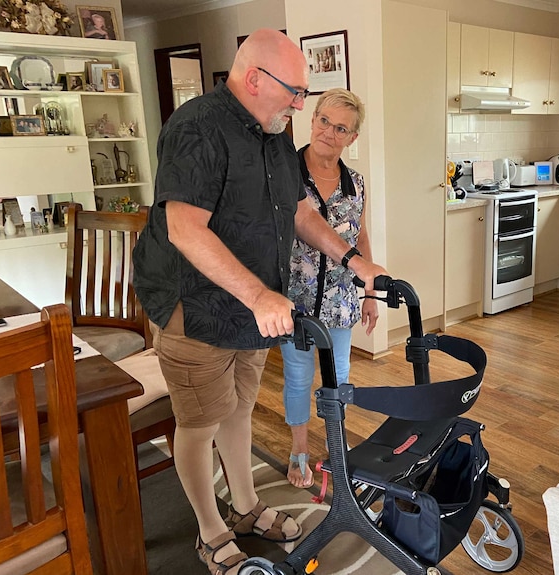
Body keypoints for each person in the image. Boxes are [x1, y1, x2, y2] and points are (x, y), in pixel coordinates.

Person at [132, 29, 386, 575]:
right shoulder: (198, 127)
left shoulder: (273, 132)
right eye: (295, 92)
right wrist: (259, 293)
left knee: (239, 409)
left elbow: (300, 213)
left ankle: (245, 507)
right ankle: (210, 529)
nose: (301, 105)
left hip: (253, 310)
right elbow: (184, 227)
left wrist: (353, 260)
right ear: (254, 79)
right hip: (194, 305)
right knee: (198, 423)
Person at [281, 88, 378, 488]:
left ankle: (336, 450)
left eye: (341, 128)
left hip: (339, 301)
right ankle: (299, 453)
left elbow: (361, 236)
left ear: (352, 138)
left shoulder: (355, 183)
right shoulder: (285, 171)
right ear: (312, 118)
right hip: (294, 299)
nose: (329, 132)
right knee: (300, 378)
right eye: (324, 121)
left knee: (337, 377)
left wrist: (370, 292)